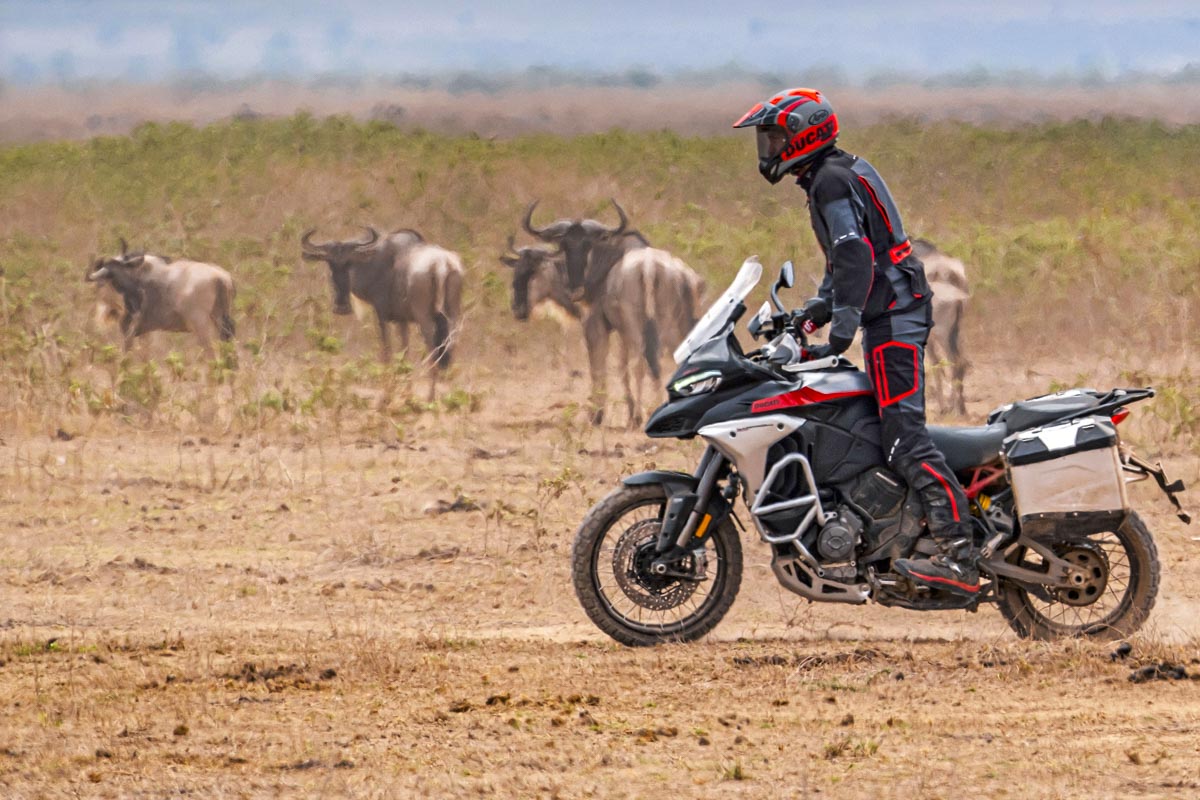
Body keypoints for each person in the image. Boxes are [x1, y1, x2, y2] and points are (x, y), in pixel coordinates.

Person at [733, 88, 979, 596]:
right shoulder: (833, 173)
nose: (768, 147)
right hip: (890, 312)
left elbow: (854, 255)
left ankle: (959, 553)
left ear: (804, 134)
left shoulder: (829, 180)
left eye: (775, 136)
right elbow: (849, 260)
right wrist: (817, 310)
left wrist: (842, 325)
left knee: (903, 438)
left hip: (894, 319)